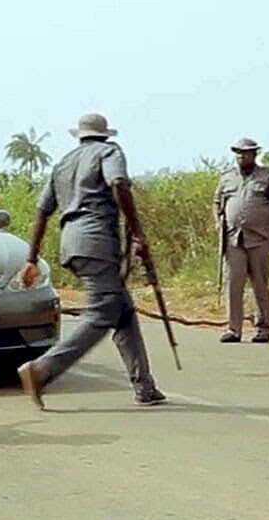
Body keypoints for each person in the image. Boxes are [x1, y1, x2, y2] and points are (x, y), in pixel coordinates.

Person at [17, 113, 165, 409]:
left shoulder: (64, 163)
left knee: (122, 312)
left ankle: (144, 386)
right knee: (102, 312)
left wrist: (31, 259)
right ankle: (42, 369)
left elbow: (42, 211)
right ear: (105, 135)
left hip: (71, 242)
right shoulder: (109, 152)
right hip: (97, 240)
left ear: (80, 136)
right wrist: (137, 233)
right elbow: (119, 184)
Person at [213, 138, 269, 343]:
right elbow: (217, 201)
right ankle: (233, 329)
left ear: (255, 154)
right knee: (233, 283)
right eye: (238, 152)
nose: (241, 156)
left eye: (246, 152)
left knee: (260, 284)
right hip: (233, 239)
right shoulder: (226, 178)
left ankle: (263, 328)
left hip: (260, 239)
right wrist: (218, 220)